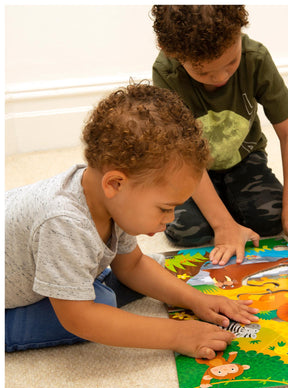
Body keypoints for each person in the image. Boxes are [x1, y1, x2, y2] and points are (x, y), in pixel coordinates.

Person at [5, 83, 259, 359]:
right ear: (115, 183)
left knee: (136, 278)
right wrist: (178, 334)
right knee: (99, 306)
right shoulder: (64, 222)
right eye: (164, 208)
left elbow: (133, 265)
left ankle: (82, 284)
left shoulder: (111, 200)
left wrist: (197, 299)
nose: (170, 219)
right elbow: (78, 318)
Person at [151, 5, 288, 267]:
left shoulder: (255, 58)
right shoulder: (166, 72)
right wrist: (222, 224)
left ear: (239, 33)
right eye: (204, 73)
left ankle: (226, 201)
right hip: (190, 168)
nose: (221, 77)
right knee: (187, 231)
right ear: (173, 53)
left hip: (244, 159)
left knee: (271, 219)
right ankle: (222, 208)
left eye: (231, 63)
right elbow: (185, 157)